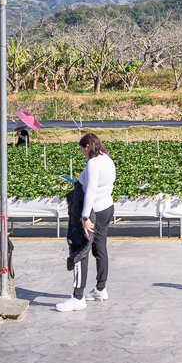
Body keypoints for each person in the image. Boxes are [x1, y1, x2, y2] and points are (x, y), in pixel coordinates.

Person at [56, 132, 117, 312]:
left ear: (88, 146)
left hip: (93, 211)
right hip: (107, 208)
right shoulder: (107, 159)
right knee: (100, 249)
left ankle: (78, 298)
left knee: (80, 250)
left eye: (82, 149)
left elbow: (90, 190)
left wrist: (85, 217)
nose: (82, 152)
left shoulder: (93, 163)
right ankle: (100, 289)